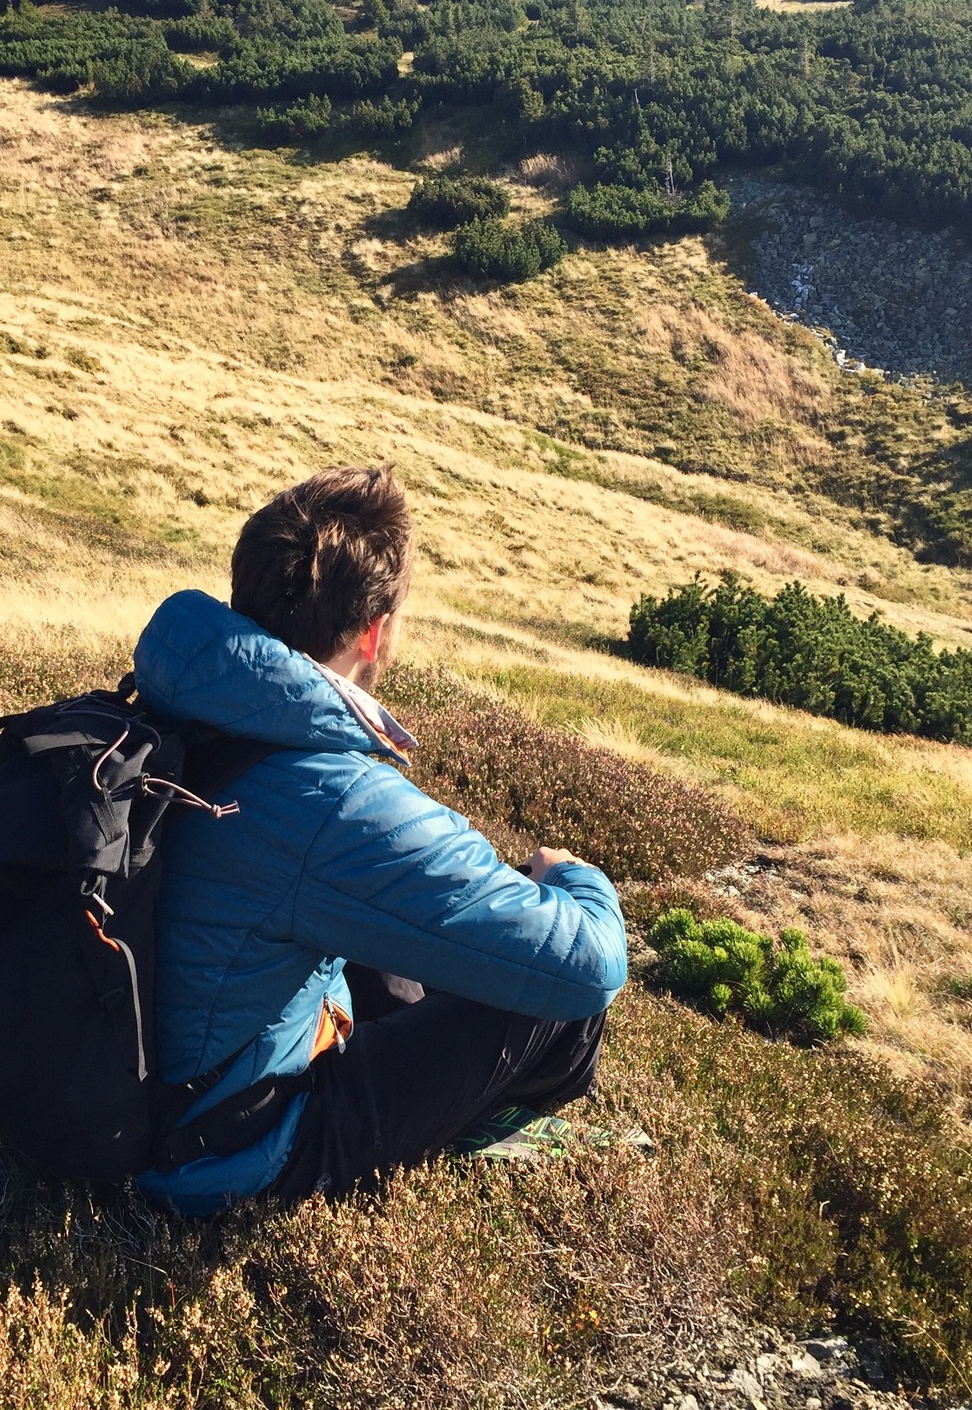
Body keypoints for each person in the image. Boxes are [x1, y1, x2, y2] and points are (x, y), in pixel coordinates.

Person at [133, 464, 627, 1214]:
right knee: (554, 998)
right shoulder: (333, 801)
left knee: (380, 932)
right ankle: (469, 1128)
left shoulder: (173, 697)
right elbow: (587, 965)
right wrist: (573, 879)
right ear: (375, 630)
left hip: (125, 1086)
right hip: (215, 1152)